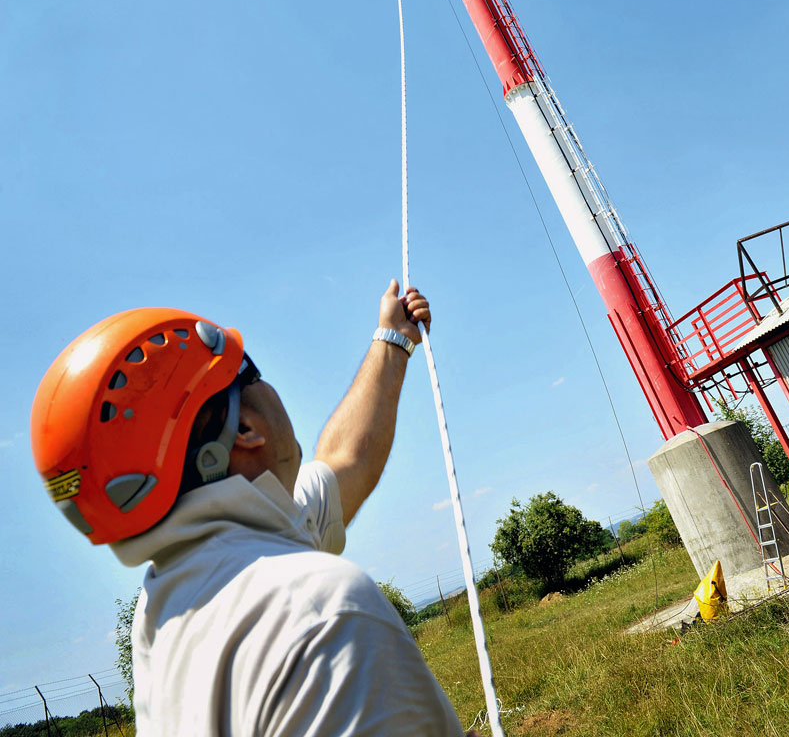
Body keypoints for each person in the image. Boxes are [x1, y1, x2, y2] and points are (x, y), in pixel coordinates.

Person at [31, 281, 469, 736]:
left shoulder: (164, 612)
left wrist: (392, 340)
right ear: (243, 427)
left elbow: (346, 463)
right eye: (249, 372)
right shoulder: (322, 614)